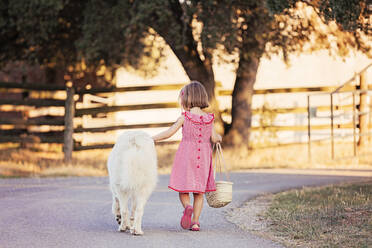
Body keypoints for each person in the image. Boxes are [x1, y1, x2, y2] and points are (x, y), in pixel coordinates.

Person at [152, 81, 222, 231]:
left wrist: (152, 139)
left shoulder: (185, 117)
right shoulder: (209, 118)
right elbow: (215, 138)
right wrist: (220, 137)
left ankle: (187, 206)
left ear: (186, 99)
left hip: (186, 156)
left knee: (183, 189)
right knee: (199, 192)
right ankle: (195, 222)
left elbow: (169, 132)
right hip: (203, 158)